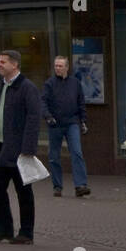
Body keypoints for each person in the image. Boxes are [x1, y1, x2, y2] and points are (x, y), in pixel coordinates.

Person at [0, 49, 42, 245]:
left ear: (14, 65)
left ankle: (26, 232)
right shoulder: (1, 85)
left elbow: (33, 117)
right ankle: (3, 229)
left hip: (19, 148)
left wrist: (28, 148)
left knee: (23, 191)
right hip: (0, 146)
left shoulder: (27, 87)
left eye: (3, 62)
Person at [43, 55, 90, 197]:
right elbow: (43, 102)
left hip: (72, 123)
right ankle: (57, 186)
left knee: (76, 152)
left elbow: (81, 102)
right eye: (56, 66)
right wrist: (48, 116)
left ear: (67, 67)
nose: (57, 68)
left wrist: (83, 121)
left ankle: (80, 185)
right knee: (54, 156)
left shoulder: (75, 83)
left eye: (60, 66)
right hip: (55, 124)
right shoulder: (49, 84)